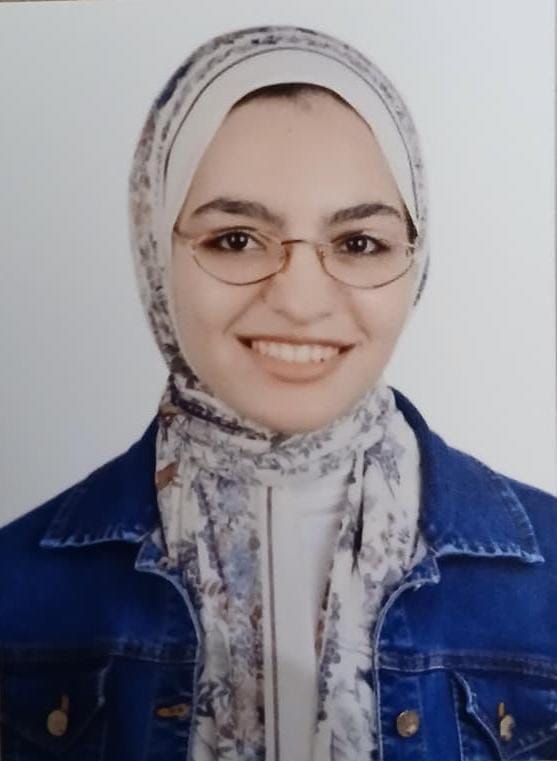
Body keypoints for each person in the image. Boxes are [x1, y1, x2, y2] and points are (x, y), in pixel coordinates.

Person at [0, 24, 555, 761]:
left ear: (414, 261)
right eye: (235, 238)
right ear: (155, 251)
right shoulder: (19, 590)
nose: (298, 299)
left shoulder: (546, 578)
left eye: (358, 243)